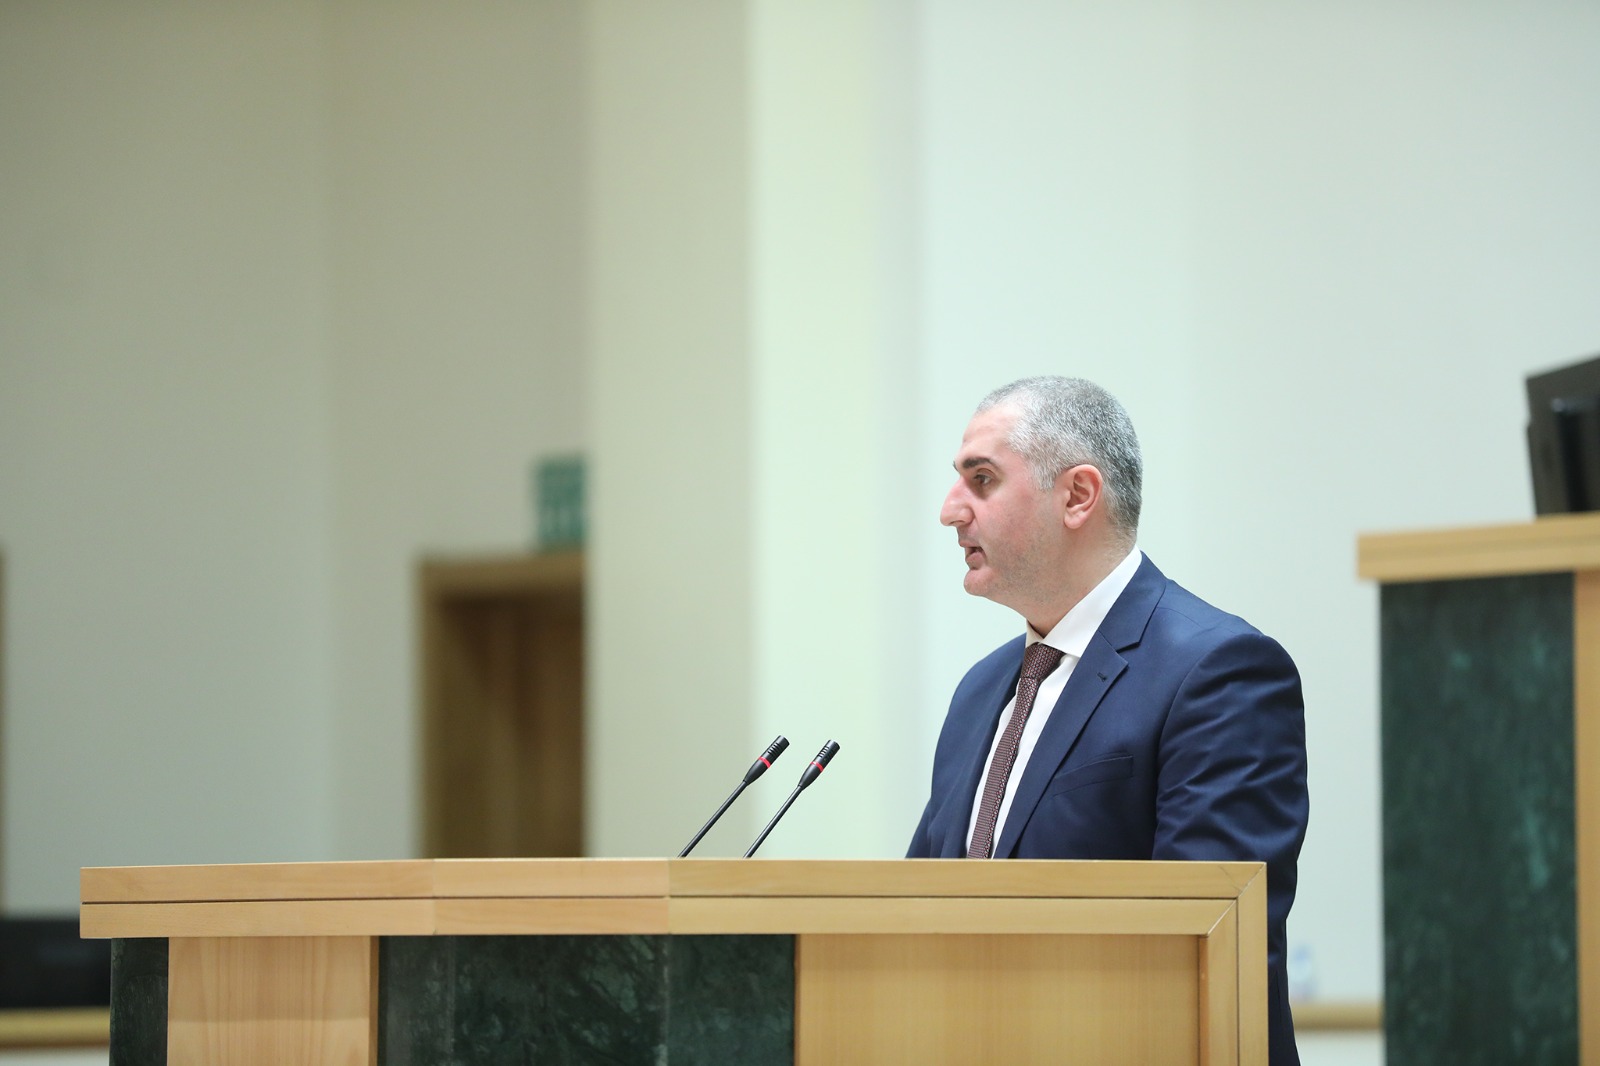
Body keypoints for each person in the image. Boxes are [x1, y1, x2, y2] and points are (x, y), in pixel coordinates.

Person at [906, 376, 1309, 1065]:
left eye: (982, 480)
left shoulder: (1220, 670)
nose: (950, 510)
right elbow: (917, 913)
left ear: (1078, 496)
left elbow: (1206, 943)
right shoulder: (980, 692)